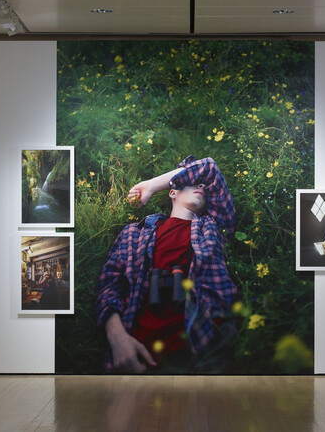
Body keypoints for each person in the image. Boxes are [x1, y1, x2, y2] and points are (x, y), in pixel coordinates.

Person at [96, 155, 238, 373]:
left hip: (201, 351)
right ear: (172, 192)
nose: (201, 185)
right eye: (191, 182)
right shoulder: (134, 233)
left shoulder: (214, 225)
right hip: (136, 353)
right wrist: (117, 338)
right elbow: (110, 286)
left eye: (203, 186)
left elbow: (209, 168)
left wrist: (151, 185)